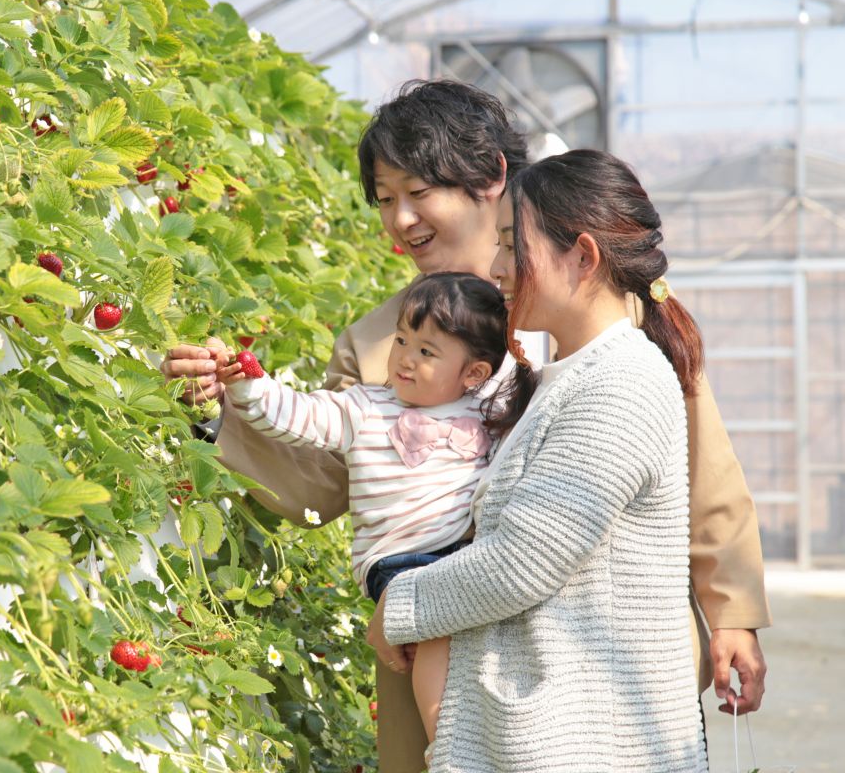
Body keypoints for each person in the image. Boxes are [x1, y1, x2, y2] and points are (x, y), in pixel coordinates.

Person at [160, 80, 769, 772]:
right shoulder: (383, 342)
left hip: (591, 656)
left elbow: (701, 465)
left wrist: (732, 610)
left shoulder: (603, 315)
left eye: (418, 191)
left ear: (492, 178)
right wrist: (223, 410)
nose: (400, 219)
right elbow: (320, 482)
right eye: (383, 199)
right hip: (438, 647)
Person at [368, 149, 710, 770]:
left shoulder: (620, 382)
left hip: (592, 743)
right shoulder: (573, 376)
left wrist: (402, 603)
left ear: (582, 256)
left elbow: (522, 562)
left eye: (511, 246)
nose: (496, 267)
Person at [215, 273, 533, 743]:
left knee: (480, 645)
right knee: (434, 640)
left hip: (464, 551)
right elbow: (299, 416)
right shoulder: (365, 407)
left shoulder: (485, 413)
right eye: (401, 340)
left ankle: (487, 742)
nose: (405, 358)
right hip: (400, 561)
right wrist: (250, 387)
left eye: (426, 351)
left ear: (473, 375)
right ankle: (445, 746)